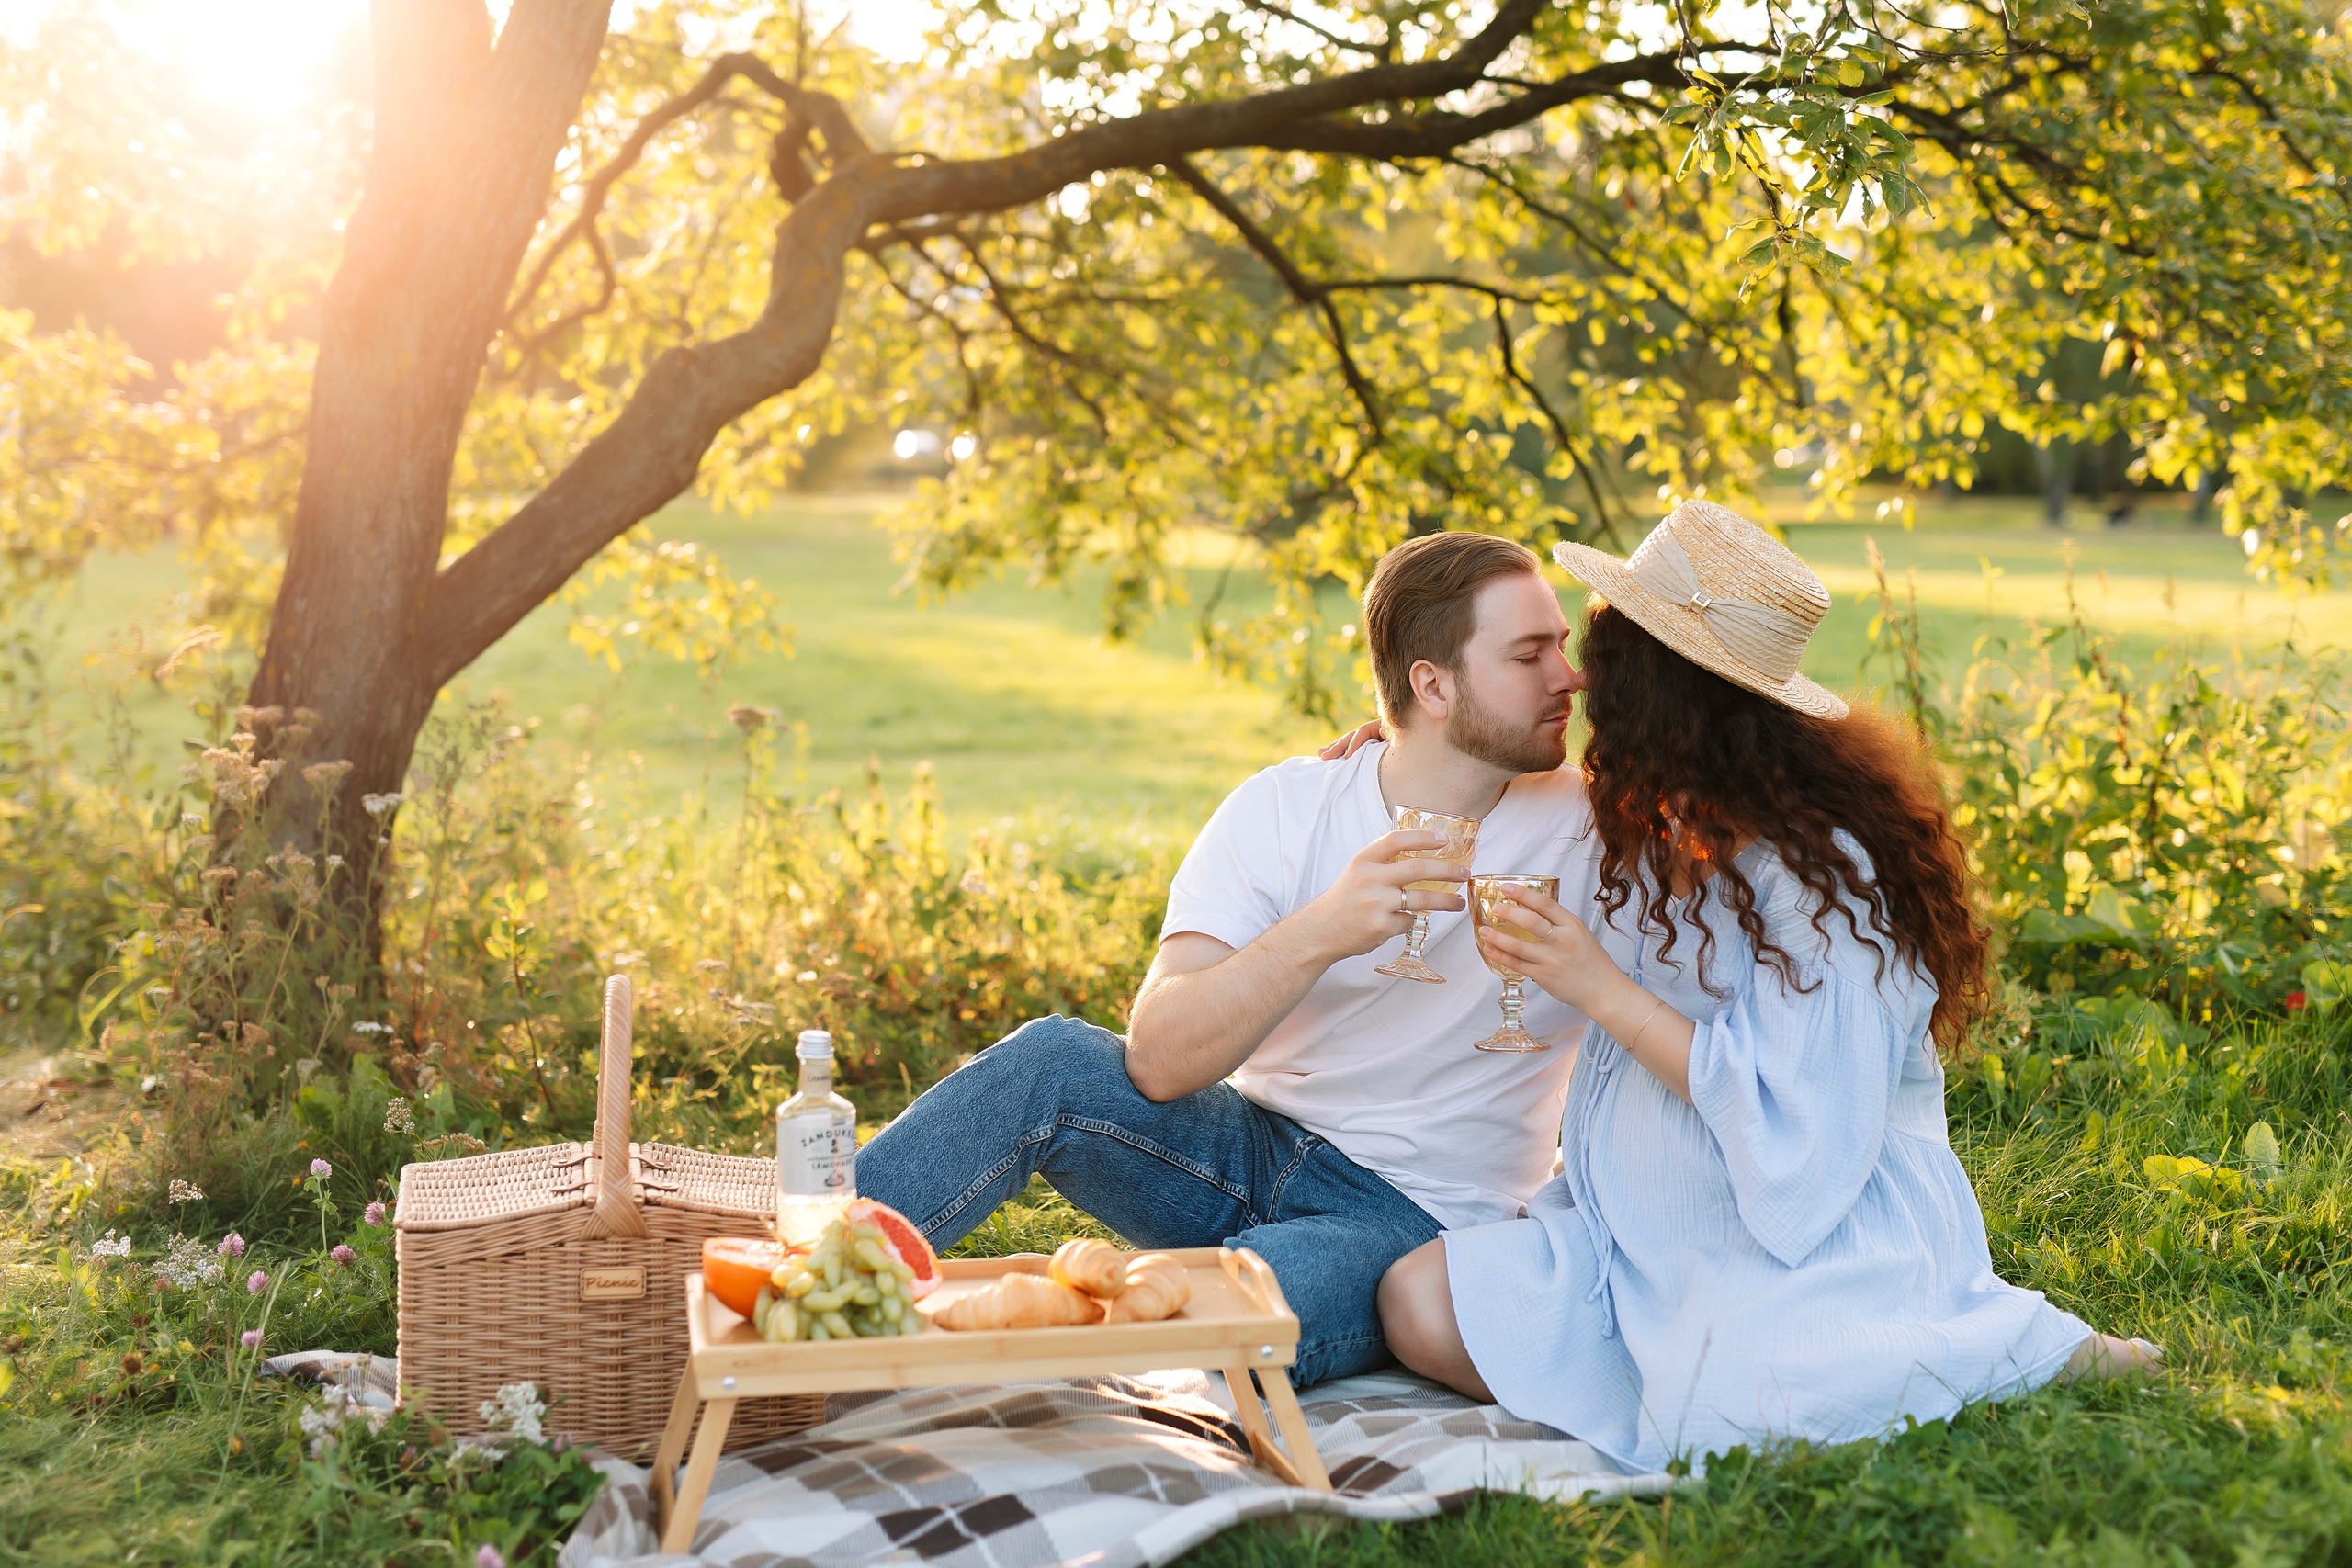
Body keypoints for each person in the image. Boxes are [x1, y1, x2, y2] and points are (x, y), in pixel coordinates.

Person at [1375, 500, 2161, 1472]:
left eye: (1600, 652)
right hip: (1629, 1229)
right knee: (1414, 1300)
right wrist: (1390, 746)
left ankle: (2017, 1346)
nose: (1578, 676)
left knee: (1737, 1411)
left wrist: (1594, 985)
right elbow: (1472, 765)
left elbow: (1800, 1137)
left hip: (1790, 1240)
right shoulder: (1649, 818)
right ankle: (1644, 1361)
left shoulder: (1829, 879)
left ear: (1658, 693)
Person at [858, 532, 1601, 1382]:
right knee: (1052, 1060)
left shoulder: (1599, 830)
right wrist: (1323, 928)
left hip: (1412, 1220)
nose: (1567, 676)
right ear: (1432, 684)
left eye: (1563, 647)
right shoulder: (1285, 807)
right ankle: (788, 1281)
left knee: (1233, 1307)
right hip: (1243, 1145)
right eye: (1528, 653)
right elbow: (1162, 1059)